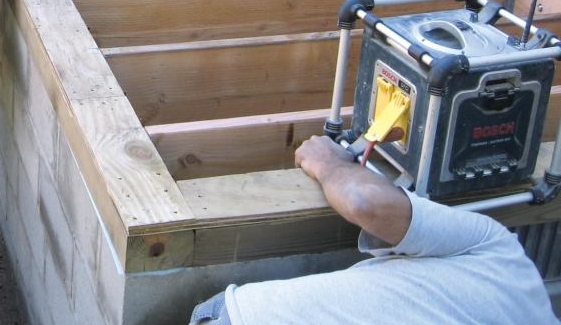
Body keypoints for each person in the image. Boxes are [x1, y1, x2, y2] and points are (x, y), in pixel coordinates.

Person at [188, 135, 559, 324]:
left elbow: (369, 203)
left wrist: (330, 163)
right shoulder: (501, 257)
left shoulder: (504, 258)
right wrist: (331, 164)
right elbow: (366, 204)